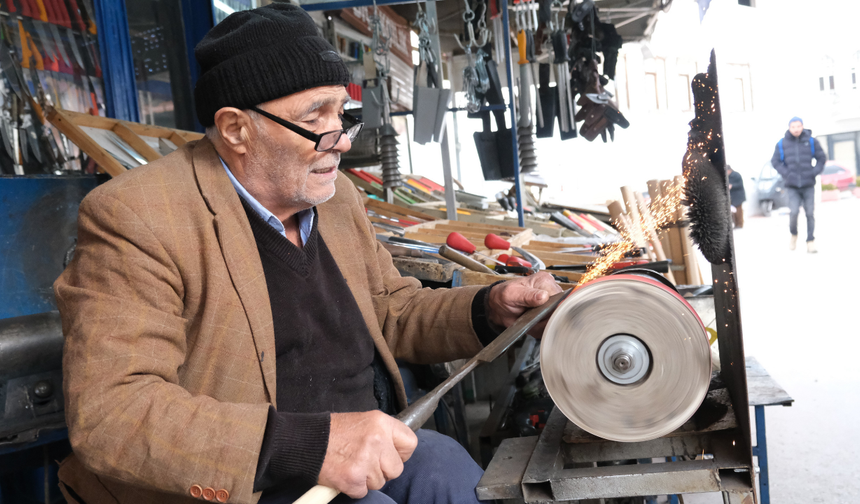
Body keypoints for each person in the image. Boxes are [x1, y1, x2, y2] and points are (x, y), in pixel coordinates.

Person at [53, 5, 562, 504]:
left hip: (360, 448)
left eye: (343, 114)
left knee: (448, 470)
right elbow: (113, 413)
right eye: (315, 118)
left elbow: (391, 311)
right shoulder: (138, 217)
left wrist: (491, 307)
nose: (341, 142)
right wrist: (313, 446)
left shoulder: (336, 199)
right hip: (253, 476)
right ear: (235, 129)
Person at [770, 116, 826, 253]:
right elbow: (775, 161)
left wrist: (814, 172)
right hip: (792, 186)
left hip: (808, 184)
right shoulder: (782, 144)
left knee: (809, 213)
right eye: (793, 127)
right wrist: (786, 173)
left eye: (798, 126)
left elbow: (822, 158)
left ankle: (810, 241)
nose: (796, 129)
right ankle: (794, 234)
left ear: (802, 126)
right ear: (789, 128)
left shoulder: (811, 141)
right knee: (793, 212)